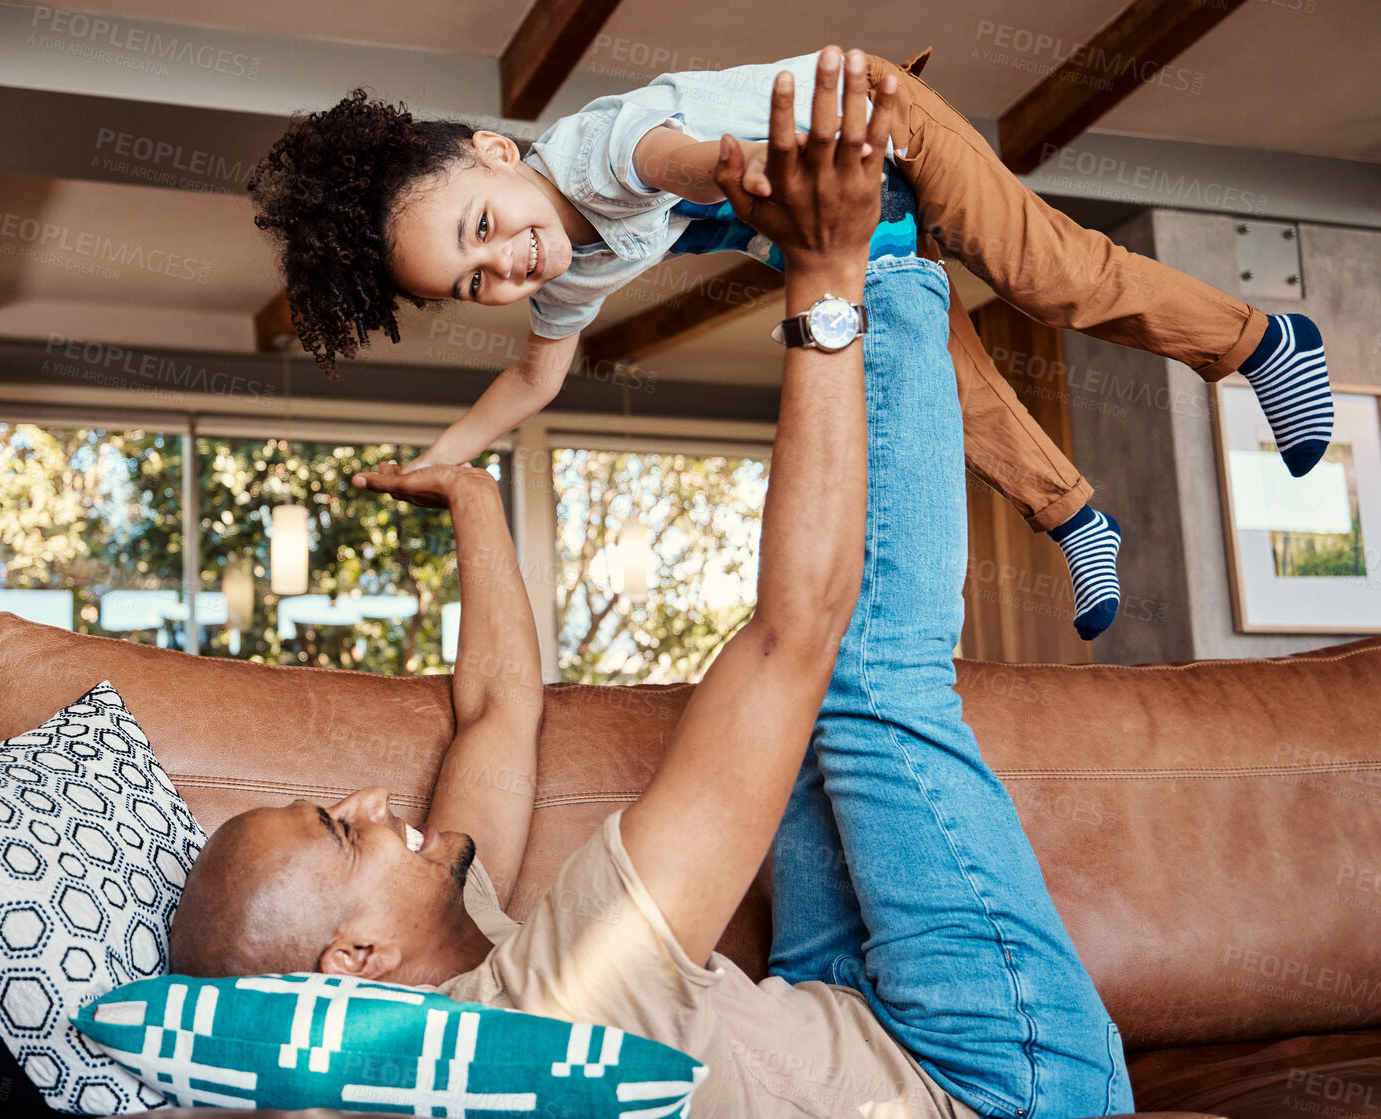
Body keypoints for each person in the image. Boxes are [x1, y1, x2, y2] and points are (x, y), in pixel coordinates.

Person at [173, 50, 1131, 1119]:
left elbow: (499, 715)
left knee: (822, 712)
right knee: (858, 678)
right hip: (995, 1075)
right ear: (351, 960)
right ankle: (896, 280)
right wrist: (820, 279)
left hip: (837, 1004)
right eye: (339, 829)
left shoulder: (450, 972)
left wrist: (473, 499)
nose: (363, 798)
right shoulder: (557, 1004)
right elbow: (789, 639)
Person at [248, 45, 1334, 643]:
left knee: (1049, 278)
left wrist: (740, 180)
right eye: (472, 280)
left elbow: (673, 157)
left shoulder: (595, 154)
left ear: (496, 151)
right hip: (836, 221)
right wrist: (440, 459)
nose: (505, 265)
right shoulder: (569, 264)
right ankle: (1074, 516)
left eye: (481, 228)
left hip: (884, 135)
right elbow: (535, 375)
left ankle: (1258, 341)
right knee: (947, 373)